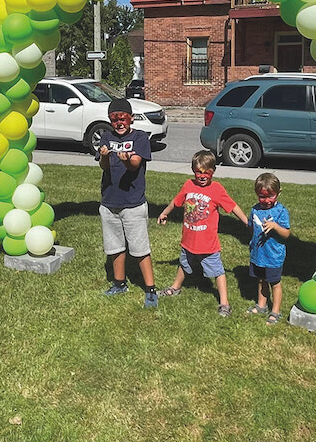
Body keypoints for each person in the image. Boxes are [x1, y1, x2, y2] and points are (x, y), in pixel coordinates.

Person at [157, 150, 248, 316]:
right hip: (189, 240)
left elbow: (233, 206)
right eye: (199, 171)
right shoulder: (188, 185)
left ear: (213, 171)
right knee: (184, 264)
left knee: (217, 272)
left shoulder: (217, 189)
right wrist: (164, 213)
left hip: (208, 244)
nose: (202, 175)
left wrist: (247, 222)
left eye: (207, 172)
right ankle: (175, 288)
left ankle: (224, 303)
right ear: (193, 170)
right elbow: (176, 201)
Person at [97, 98, 158, 308]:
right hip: (109, 201)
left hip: (133, 203)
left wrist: (125, 159)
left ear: (130, 118)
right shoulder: (106, 136)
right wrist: (105, 156)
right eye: (114, 119)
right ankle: (119, 283)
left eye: (122, 118)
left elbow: (135, 164)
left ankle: (150, 289)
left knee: (140, 248)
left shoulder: (140, 138)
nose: (118, 123)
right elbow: (104, 166)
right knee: (115, 247)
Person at [246, 173, 291, 325]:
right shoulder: (255, 210)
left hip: (274, 256)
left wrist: (275, 226)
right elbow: (251, 228)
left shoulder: (281, 212)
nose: (266, 201)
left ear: (278, 193)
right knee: (261, 280)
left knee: (275, 283)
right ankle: (261, 305)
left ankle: (276, 311)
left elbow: (286, 234)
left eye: (270, 196)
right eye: (261, 197)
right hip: (258, 254)